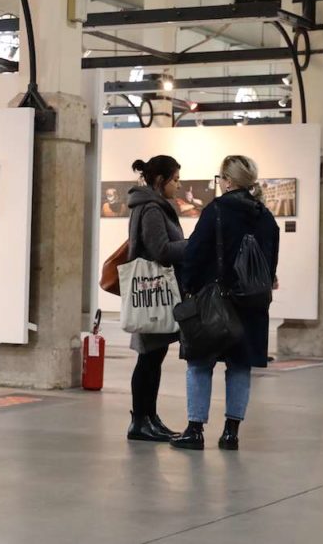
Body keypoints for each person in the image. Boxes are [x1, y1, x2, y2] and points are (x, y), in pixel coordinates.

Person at [172, 155, 279, 451]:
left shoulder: (216, 211)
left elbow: (194, 253)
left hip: (215, 302)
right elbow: (270, 265)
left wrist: (189, 288)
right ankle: (231, 433)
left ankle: (195, 429)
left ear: (228, 181)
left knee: (199, 364)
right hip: (253, 305)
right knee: (240, 366)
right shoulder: (266, 216)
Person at [125, 156, 187, 442]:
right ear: (161, 180)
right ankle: (140, 421)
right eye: (175, 179)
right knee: (148, 359)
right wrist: (191, 245)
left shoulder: (154, 205)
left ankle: (149, 417)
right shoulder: (151, 208)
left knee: (153, 357)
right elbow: (160, 250)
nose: (178, 184)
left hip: (155, 294)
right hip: (151, 295)